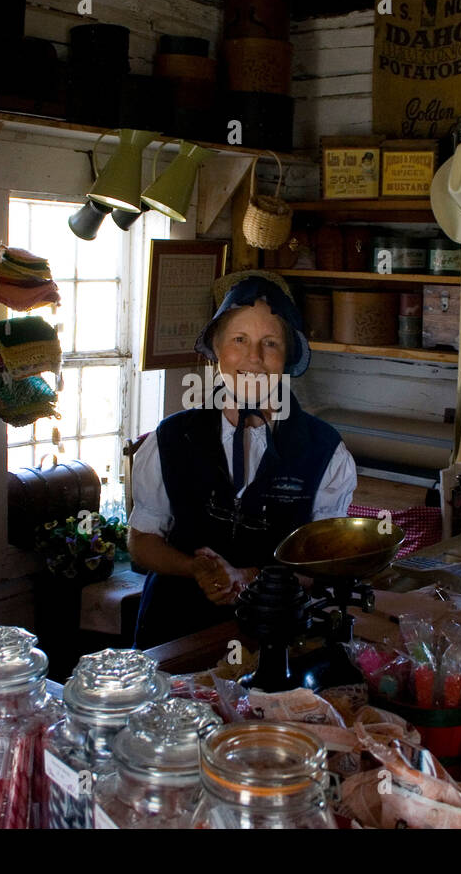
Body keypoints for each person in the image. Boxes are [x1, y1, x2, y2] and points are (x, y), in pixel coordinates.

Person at [128, 272, 357, 648]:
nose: (253, 357)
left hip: (276, 636)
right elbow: (141, 540)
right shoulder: (171, 438)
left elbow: (321, 561)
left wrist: (253, 575)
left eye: (270, 343)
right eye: (239, 340)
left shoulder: (325, 451)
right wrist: (194, 567)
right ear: (217, 349)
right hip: (174, 632)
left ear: (288, 357)